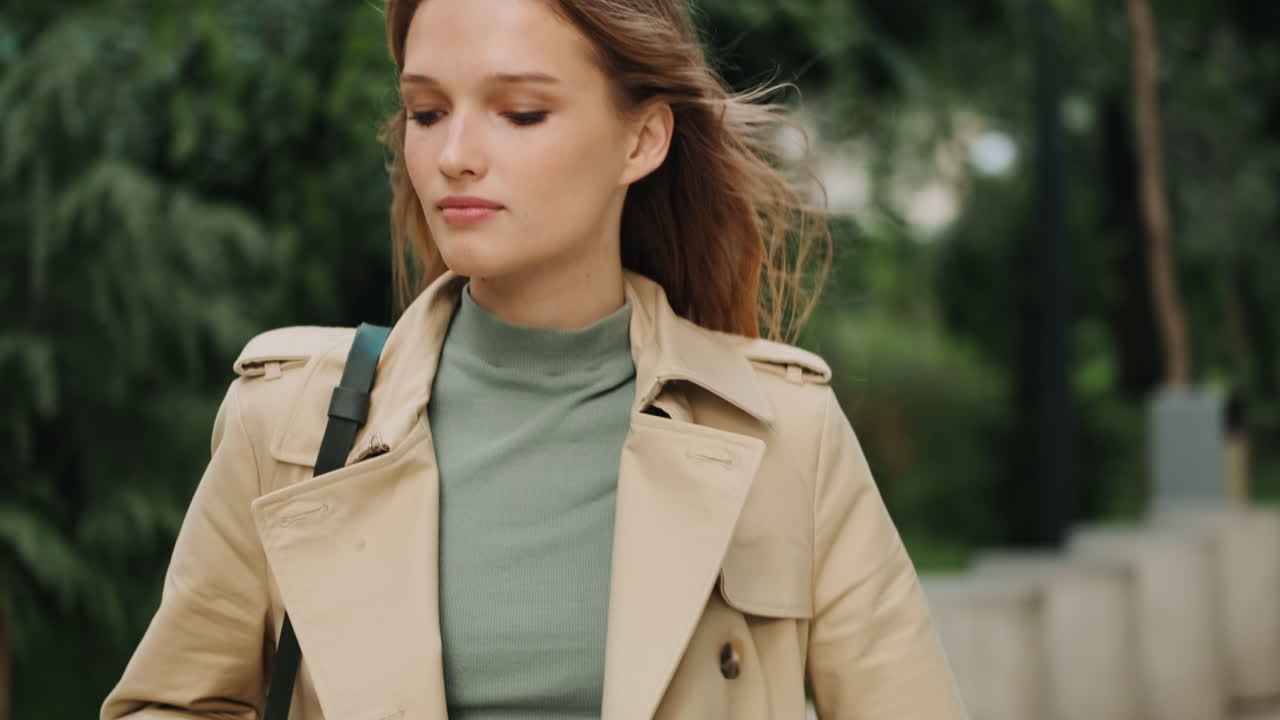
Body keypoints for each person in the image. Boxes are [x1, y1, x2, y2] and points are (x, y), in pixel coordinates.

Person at [102, 0, 968, 717]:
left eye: (521, 112)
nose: (453, 157)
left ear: (643, 141)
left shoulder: (785, 434)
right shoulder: (290, 423)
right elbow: (170, 704)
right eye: (427, 112)